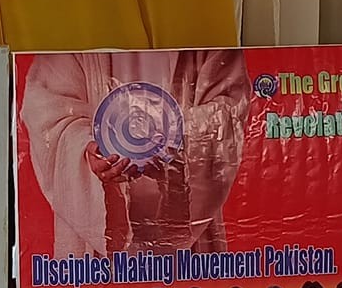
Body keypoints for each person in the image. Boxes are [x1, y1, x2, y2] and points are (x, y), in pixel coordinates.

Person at [19, 50, 249, 257]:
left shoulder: (203, 30)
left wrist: (178, 141)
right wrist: (87, 149)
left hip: (186, 224)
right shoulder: (71, 32)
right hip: (99, 233)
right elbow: (47, 110)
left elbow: (229, 107)